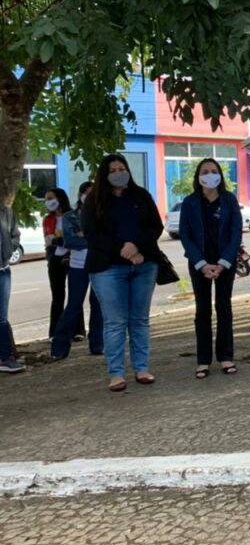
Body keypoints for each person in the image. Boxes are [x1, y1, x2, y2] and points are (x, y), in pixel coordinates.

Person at [82, 154, 163, 391]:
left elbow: (155, 227)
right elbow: (92, 234)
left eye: (122, 168)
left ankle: (141, 368)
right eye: (113, 169)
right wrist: (123, 249)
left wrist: (137, 246)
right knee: (115, 321)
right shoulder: (93, 201)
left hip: (143, 265)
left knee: (139, 320)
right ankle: (116, 373)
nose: (119, 172)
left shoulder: (141, 196)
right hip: (108, 269)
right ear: (104, 175)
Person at [179, 159, 243, 377]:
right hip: (200, 264)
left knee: (224, 307)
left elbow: (236, 233)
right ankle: (203, 361)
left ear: (220, 176)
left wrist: (224, 262)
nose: (209, 175)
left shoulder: (229, 200)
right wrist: (201, 263)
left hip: (225, 262)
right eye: (205, 171)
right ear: (198, 176)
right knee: (202, 310)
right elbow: (185, 235)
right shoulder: (189, 202)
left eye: (214, 171)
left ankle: (226, 357)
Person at [50, 182, 104, 360]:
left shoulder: (102, 215)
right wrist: (91, 237)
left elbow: (105, 239)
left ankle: (97, 344)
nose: (89, 197)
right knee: (73, 305)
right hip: (78, 267)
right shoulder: (69, 216)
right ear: (80, 194)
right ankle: (59, 348)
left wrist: (85, 235)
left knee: (98, 305)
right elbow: (70, 242)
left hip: (98, 265)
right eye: (86, 193)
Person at [43, 187, 84, 341]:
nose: (48, 202)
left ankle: (78, 330)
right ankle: (54, 332)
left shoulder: (72, 216)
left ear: (60, 199)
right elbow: (48, 240)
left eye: (51, 198)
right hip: (55, 258)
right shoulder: (47, 219)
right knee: (57, 296)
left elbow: (77, 237)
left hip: (72, 256)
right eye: (46, 199)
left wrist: (61, 241)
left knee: (75, 295)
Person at [0, 204, 24, 374]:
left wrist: (10, 249)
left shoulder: (5, 212)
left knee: (1, 318)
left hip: (2, 269)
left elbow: (15, 234)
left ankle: (6, 358)